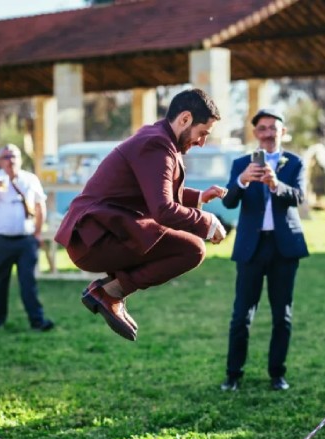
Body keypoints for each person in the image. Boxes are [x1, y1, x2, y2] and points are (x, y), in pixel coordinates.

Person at [55, 88, 228, 341]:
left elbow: (153, 189)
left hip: (96, 235)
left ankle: (110, 292)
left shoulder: (156, 137)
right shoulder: (156, 144)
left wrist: (198, 198)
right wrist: (209, 222)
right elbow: (163, 209)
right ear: (185, 119)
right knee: (192, 249)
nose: (202, 142)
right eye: (203, 133)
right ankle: (109, 293)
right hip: (95, 240)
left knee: (188, 246)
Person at [219, 108, 308, 392]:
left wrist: (276, 184)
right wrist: (243, 180)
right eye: (263, 128)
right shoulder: (241, 163)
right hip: (251, 248)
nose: (268, 133)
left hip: (284, 248)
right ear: (255, 133)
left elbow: (299, 197)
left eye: (273, 127)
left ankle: (277, 374)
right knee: (241, 315)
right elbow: (229, 202)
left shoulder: (294, 162)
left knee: (282, 315)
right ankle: (233, 375)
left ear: (283, 131)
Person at [0, 144, 54, 332]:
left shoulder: (30, 179)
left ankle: (37, 320)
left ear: (20, 159)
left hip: (26, 240)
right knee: (0, 281)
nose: (11, 160)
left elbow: (40, 207)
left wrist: (38, 234)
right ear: (0, 161)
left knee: (28, 282)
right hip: (1, 240)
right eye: (6, 156)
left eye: (14, 156)